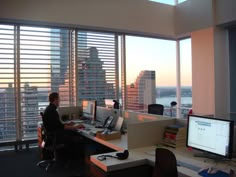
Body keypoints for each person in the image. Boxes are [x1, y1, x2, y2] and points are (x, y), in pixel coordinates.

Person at [43, 92, 84, 162]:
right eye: (59, 99)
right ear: (55, 99)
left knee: (72, 134)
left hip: (52, 136)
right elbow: (61, 127)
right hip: (56, 136)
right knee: (78, 138)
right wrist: (76, 127)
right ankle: (74, 161)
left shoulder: (49, 109)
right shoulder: (52, 111)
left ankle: (67, 159)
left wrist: (69, 124)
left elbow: (58, 125)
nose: (60, 100)